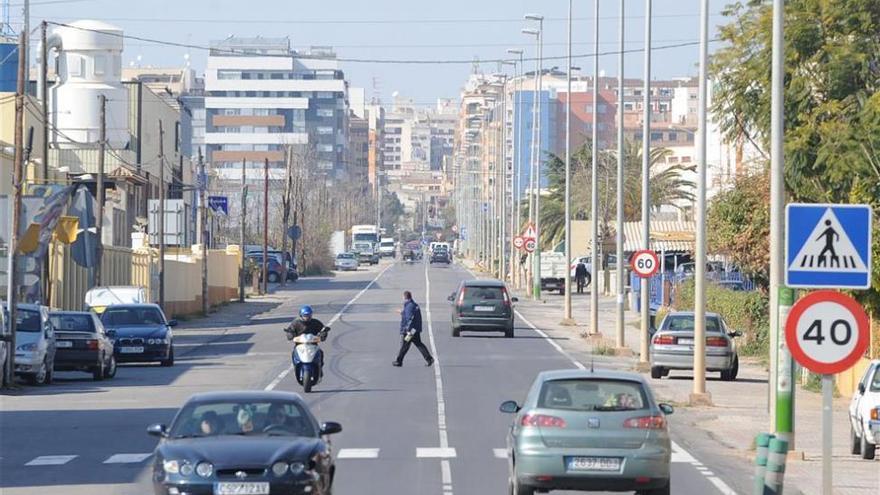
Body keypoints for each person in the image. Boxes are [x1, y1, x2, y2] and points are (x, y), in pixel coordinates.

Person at [392, 291, 433, 367]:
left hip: (411, 331)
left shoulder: (409, 306)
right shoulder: (413, 305)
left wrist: (407, 330)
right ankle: (429, 359)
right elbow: (409, 315)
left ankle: (399, 361)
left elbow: (409, 318)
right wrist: (401, 312)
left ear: (405, 297)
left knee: (405, 345)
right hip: (415, 329)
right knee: (418, 344)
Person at [284, 305, 329, 374]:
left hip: (313, 345)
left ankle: (320, 369)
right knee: (294, 353)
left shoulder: (315, 322)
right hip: (299, 345)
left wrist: (323, 334)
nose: (307, 317)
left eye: (309, 315)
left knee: (320, 352)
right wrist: (290, 335)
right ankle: (296, 367)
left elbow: (323, 329)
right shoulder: (296, 323)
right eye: (305, 315)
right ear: (301, 315)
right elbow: (290, 330)